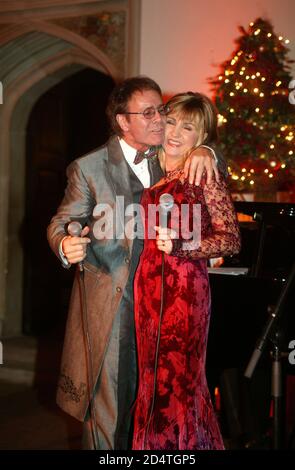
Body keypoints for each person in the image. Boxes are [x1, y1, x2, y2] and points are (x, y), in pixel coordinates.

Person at [47, 77, 225, 450]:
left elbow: (202, 152)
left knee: (158, 410)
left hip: (166, 304)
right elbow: (63, 221)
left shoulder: (176, 158)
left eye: (161, 110)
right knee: (109, 413)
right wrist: (65, 242)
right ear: (122, 122)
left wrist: (208, 149)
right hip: (113, 302)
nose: (161, 120)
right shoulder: (89, 167)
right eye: (148, 113)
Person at [132, 92, 241, 450]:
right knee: (151, 382)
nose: (176, 132)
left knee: (178, 384)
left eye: (189, 127)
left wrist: (182, 245)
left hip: (183, 293)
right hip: (147, 291)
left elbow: (230, 239)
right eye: (172, 121)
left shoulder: (202, 170)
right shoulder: (157, 166)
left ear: (202, 137)